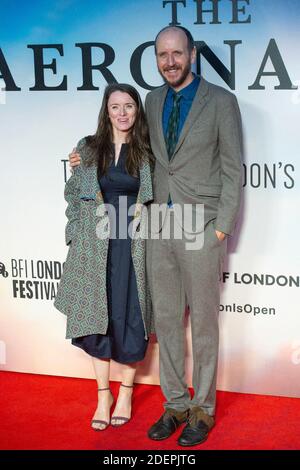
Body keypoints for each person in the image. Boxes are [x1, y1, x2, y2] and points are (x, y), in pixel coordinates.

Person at [69, 26, 243, 446]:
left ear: (192, 55)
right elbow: (125, 146)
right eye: (162, 55)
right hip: (157, 226)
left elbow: (233, 170)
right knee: (165, 322)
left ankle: (202, 409)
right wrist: (83, 156)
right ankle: (175, 404)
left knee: (202, 324)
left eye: (177, 54)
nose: (169, 61)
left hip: (201, 225)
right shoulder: (152, 99)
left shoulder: (222, 102)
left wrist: (222, 226)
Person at [54, 83, 153, 431]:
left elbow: (156, 197)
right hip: (96, 246)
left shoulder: (147, 151)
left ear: (137, 111)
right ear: (106, 111)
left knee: (131, 318)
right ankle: (103, 395)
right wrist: (73, 237)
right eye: (115, 106)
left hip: (135, 245)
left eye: (129, 106)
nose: (122, 113)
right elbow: (74, 195)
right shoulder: (88, 148)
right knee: (98, 319)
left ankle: (125, 391)